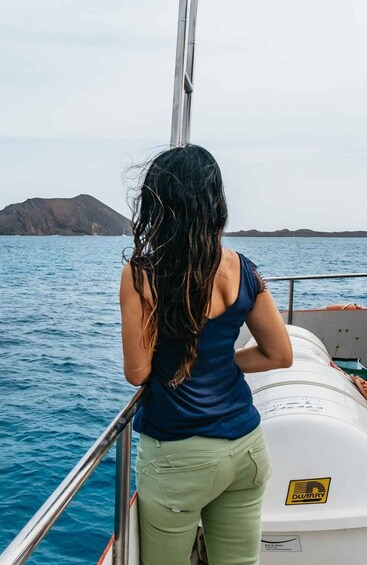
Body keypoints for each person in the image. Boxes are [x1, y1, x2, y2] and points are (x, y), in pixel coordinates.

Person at [119, 145, 293, 565]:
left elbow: (138, 372)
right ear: (215, 203)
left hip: (178, 456)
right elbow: (279, 354)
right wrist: (225, 361)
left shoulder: (141, 274)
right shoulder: (243, 268)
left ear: (157, 204)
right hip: (246, 449)